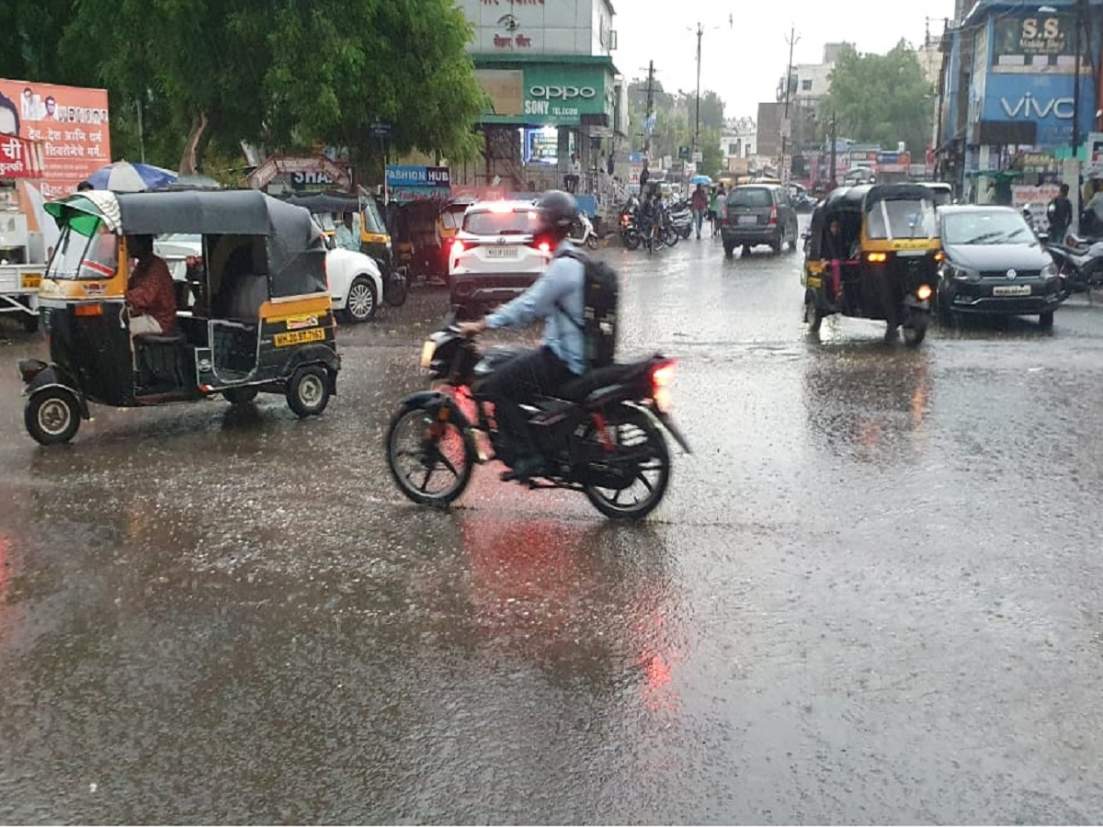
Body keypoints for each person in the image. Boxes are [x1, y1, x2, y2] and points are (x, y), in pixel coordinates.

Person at [458, 191, 585, 481]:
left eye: (541, 220)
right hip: (566, 352)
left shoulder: (562, 267)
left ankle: (530, 455)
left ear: (553, 225)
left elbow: (529, 306)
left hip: (563, 360)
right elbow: (552, 310)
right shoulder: (572, 257)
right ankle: (537, 437)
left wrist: (484, 323)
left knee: (498, 385)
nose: (535, 226)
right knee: (510, 361)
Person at [125, 235, 176, 336]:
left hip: (159, 319)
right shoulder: (143, 265)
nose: (128, 246)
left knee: (123, 329)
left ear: (141, 244)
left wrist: (125, 296)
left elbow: (145, 296)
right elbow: (130, 285)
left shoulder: (156, 267)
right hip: (146, 315)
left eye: (131, 242)